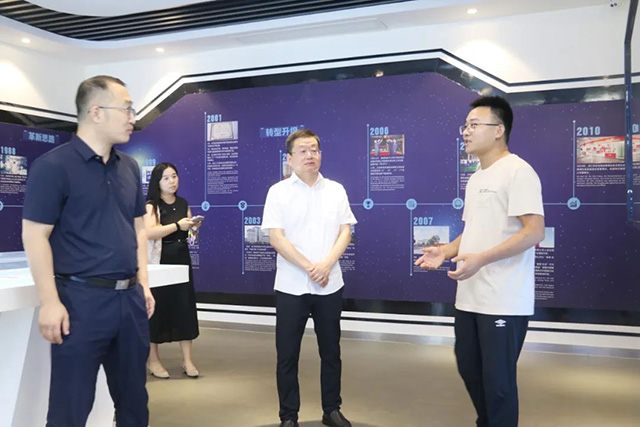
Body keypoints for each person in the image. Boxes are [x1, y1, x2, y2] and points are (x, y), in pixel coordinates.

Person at [22, 75, 154, 427]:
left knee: (134, 403)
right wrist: (50, 302)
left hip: (130, 301)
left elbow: (138, 228)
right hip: (81, 302)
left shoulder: (129, 167)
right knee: (71, 406)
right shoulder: (53, 167)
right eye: (126, 109)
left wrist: (143, 283)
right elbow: (35, 236)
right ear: (96, 112)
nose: (133, 118)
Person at [416, 96, 545, 427]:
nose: (466, 131)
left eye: (474, 125)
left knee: (499, 383)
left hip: (503, 299)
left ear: (499, 130)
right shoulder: (476, 177)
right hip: (470, 296)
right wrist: (446, 250)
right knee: (469, 366)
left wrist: (483, 259)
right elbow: (473, 230)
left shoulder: (518, 172)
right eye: (465, 125)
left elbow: (534, 231)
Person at [262, 129, 357, 427]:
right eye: (302, 150)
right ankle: (289, 415)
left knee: (331, 352)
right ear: (289, 159)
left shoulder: (336, 190)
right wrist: (309, 267)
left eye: (314, 149)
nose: (310, 155)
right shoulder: (278, 192)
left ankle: (332, 409)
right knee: (287, 355)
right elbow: (276, 238)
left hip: (330, 284)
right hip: (291, 286)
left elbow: (345, 231)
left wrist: (326, 265)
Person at [144, 162, 200, 378]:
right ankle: (153, 360)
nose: (172, 181)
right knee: (156, 311)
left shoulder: (183, 203)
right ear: (157, 182)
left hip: (181, 260)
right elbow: (149, 233)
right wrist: (177, 226)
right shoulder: (152, 206)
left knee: (184, 308)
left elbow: (190, 236)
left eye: (174, 176)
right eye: (166, 178)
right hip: (159, 262)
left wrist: (193, 229)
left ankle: (187, 360)